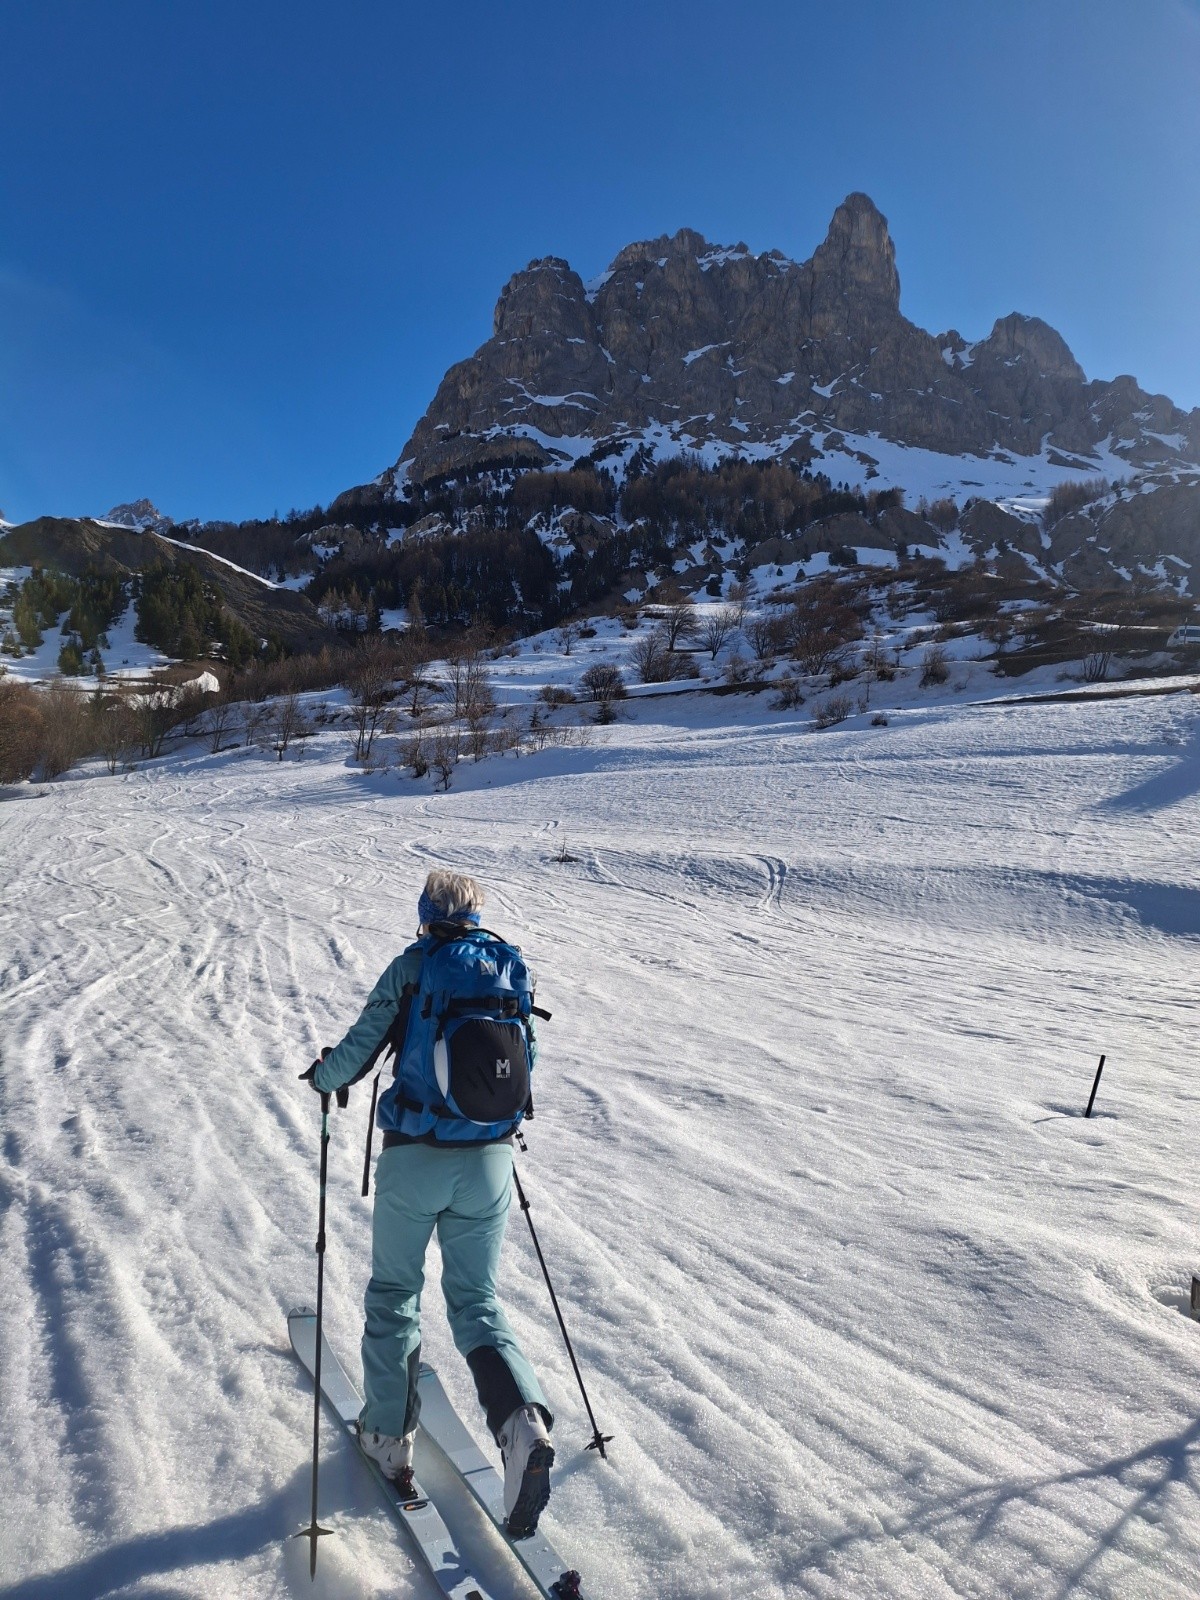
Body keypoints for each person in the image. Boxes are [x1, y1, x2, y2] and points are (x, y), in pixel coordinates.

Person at [302, 869, 554, 1536]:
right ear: (477, 916)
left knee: (395, 1295)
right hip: (491, 1163)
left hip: (416, 1159)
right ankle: (522, 1423)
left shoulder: (413, 968)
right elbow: (525, 1061)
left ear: (425, 912)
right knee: (476, 1302)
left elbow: (359, 1048)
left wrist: (323, 1077)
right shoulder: (510, 970)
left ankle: (386, 1438)